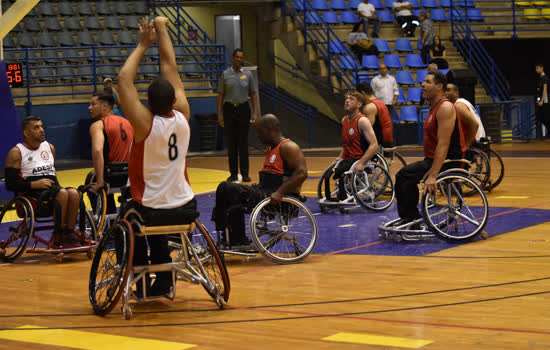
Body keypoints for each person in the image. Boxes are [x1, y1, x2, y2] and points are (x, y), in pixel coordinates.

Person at [117, 17, 196, 296]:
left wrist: (142, 45)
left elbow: (124, 79)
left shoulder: (143, 123)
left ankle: (139, 280)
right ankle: (164, 279)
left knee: (126, 217)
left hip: (151, 207)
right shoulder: (183, 114)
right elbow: (170, 66)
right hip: (186, 204)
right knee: (158, 219)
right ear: (173, 100)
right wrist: (162, 28)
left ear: (147, 103)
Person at [211, 114, 307, 247]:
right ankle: (235, 239)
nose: (258, 136)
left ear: (270, 129)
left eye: (260, 132)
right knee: (230, 195)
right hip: (265, 191)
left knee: (225, 187)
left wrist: (280, 192)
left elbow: (302, 174)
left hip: (277, 195)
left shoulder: (288, 147)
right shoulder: (271, 149)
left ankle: (232, 237)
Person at [394, 71, 465, 227]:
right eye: (423, 82)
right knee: (405, 177)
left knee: (404, 176)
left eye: (427, 82)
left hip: (449, 161)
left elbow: (443, 144)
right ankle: (409, 217)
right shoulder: (433, 107)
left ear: (439, 86)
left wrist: (433, 175)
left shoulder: (445, 107)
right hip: (435, 160)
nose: (422, 85)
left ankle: (412, 218)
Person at [4, 116, 84, 247]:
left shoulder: (49, 148)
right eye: (36, 127)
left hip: (53, 192)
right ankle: (58, 236)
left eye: (41, 126)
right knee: (63, 194)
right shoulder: (16, 153)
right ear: (26, 132)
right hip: (32, 197)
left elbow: (53, 176)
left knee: (74, 193)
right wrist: (33, 184)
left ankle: (68, 233)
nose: (41, 130)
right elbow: (10, 184)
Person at [217, 48, 259, 183]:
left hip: (243, 109)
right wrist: (219, 113)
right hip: (229, 109)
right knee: (231, 143)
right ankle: (233, 174)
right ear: (233, 58)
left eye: (241, 58)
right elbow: (220, 95)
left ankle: (245, 174)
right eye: (237, 57)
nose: (239, 60)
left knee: (243, 143)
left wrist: (255, 112)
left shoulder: (248, 75)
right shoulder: (225, 74)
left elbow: (253, 94)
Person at [88, 92, 134, 213]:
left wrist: (99, 181)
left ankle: (107, 218)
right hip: (130, 175)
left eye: (93, 104)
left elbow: (98, 151)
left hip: (112, 175)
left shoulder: (98, 125)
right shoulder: (128, 123)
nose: (89, 108)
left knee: (90, 181)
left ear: (104, 106)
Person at [330, 91, 379, 201]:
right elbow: (346, 143)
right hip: (348, 158)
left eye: (351, 99)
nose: (347, 101)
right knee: (330, 172)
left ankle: (343, 197)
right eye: (346, 98)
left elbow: (374, 145)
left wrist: (362, 162)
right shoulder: (344, 120)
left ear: (359, 105)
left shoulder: (362, 121)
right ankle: (332, 195)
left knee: (341, 173)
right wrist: (340, 156)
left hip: (358, 158)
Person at [445, 83, 484, 148]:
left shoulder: (459, 105)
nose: (445, 93)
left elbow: (475, 125)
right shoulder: (463, 101)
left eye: (448, 90)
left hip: (475, 141)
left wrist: (466, 145)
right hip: (479, 138)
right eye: (445, 91)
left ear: (456, 92)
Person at [356, 82, 394, 148]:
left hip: (382, 142)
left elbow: (366, 129)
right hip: (389, 140)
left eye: (358, 97)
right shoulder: (381, 103)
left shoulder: (369, 107)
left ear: (362, 93)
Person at [536, 63, 550, 139]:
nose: (536, 70)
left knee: (546, 118)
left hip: (545, 100)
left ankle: (548, 132)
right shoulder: (540, 78)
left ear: (542, 68)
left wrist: (541, 100)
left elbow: (545, 90)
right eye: (536, 69)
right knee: (540, 117)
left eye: (538, 68)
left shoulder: (545, 78)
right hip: (540, 100)